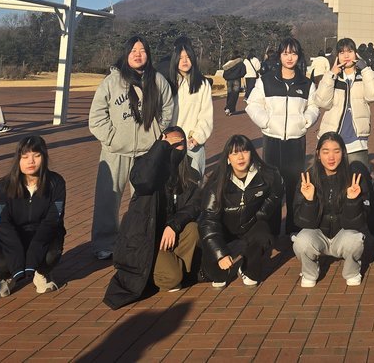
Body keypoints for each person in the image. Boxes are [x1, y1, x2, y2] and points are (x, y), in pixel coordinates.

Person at [88, 36, 174, 259]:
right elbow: (96, 116)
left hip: (147, 152)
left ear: (148, 54)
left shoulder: (157, 80)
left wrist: (157, 132)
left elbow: (168, 108)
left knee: (144, 201)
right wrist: (111, 138)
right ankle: (105, 242)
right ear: (126, 54)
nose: (138, 54)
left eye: (142, 50)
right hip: (115, 151)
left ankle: (141, 239)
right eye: (133, 50)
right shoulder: (112, 82)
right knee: (108, 198)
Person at [103, 127, 202, 308]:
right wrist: (160, 147)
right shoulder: (148, 168)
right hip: (146, 240)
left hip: (169, 237)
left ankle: (171, 270)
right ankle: (161, 273)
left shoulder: (190, 175)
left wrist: (173, 225)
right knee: (173, 279)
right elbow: (142, 181)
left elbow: (194, 206)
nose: (174, 148)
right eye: (169, 143)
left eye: (179, 144)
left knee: (193, 229)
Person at [244, 36, 319, 233]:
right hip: (272, 140)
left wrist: (305, 121)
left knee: (295, 185)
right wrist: (266, 122)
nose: (289, 58)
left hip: (296, 140)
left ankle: (294, 227)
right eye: (285, 53)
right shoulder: (266, 81)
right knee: (272, 185)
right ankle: (272, 230)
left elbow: (314, 106)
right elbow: (252, 104)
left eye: (293, 53)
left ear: (299, 56)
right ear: (279, 56)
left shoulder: (306, 83)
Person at [293, 131, 374, 288]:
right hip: (318, 234)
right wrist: (309, 201)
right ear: (318, 154)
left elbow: (357, 223)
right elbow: (302, 222)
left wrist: (352, 201)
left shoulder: (355, 178)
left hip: (343, 234)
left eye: (336, 151)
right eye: (326, 152)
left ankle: (352, 272)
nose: (331, 157)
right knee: (301, 240)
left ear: (343, 153)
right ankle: (310, 272)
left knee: (355, 240)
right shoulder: (308, 178)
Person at [200, 134, 282, 288]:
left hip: (251, 224)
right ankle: (218, 264)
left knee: (262, 235)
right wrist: (220, 254)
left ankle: (247, 268)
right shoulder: (216, 185)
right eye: (234, 153)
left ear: (252, 153)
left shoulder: (267, 174)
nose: (240, 157)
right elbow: (208, 222)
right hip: (224, 228)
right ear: (228, 158)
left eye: (244, 151)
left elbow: (277, 193)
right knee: (218, 278)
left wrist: (261, 213)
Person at [0, 135, 65, 298]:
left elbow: (53, 220)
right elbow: (1, 222)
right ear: (18, 159)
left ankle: (41, 272)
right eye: (25, 157)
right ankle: (7, 277)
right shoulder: (4, 186)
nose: (31, 161)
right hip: (12, 235)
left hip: (42, 234)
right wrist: (17, 262)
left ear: (44, 157)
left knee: (51, 255)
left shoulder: (56, 183)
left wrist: (32, 259)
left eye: (36, 155)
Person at [314, 38, 374, 171]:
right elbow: (322, 102)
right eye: (342, 52)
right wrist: (331, 75)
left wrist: (365, 69)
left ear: (356, 54)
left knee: (360, 179)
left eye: (350, 51)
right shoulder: (332, 77)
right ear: (337, 56)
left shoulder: (366, 75)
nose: (346, 56)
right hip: (332, 140)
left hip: (357, 142)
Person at [166, 37, 214, 176]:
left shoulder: (202, 84)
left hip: (193, 144)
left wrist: (197, 137)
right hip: (171, 143)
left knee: (194, 182)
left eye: (188, 57)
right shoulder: (167, 84)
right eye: (181, 58)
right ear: (175, 60)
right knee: (171, 182)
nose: (185, 61)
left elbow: (206, 115)